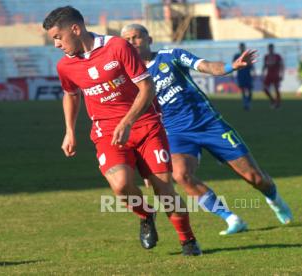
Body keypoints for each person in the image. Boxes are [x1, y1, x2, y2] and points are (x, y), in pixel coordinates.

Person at [43, 6, 201, 256]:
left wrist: (127, 121)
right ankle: (145, 214)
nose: (56, 44)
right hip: (107, 134)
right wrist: (69, 131)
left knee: (164, 189)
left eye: (58, 37)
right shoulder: (66, 66)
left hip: (146, 126)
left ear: (75, 29)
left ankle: (188, 241)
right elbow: (71, 95)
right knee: (120, 186)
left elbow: (147, 87)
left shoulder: (118, 47)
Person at [121, 24, 292, 236]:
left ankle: (274, 199)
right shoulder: (127, 77)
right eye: (127, 39)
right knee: (182, 175)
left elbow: (206, 66)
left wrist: (232, 67)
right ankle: (231, 218)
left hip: (209, 124)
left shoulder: (171, 55)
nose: (132, 42)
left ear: (149, 39)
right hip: (175, 133)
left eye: (136, 37)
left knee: (255, 178)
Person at [233, 43, 255, 110]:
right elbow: (233, 65)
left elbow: (252, 64)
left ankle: (248, 102)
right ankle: (245, 103)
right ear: (239, 48)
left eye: (242, 47)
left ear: (244, 47)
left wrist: (254, 72)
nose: (242, 48)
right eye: (241, 47)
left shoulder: (247, 55)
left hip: (248, 74)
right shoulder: (236, 56)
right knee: (243, 90)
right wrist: (231, 74)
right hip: (240, 75)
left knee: (250, 90)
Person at [262, 43, 284, 109]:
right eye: (269, 48)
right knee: (265, 88)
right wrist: (262, 73)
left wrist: (281, 74)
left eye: (271, 48)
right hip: (268, 75)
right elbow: (265, 65)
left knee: (276, 89)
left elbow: (281, 65)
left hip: (276, 75)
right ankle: (273, 100)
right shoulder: (266, 56)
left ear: (273, 48)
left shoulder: (277, 56)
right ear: (268, 49)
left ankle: (278, 104)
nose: (270, 49)